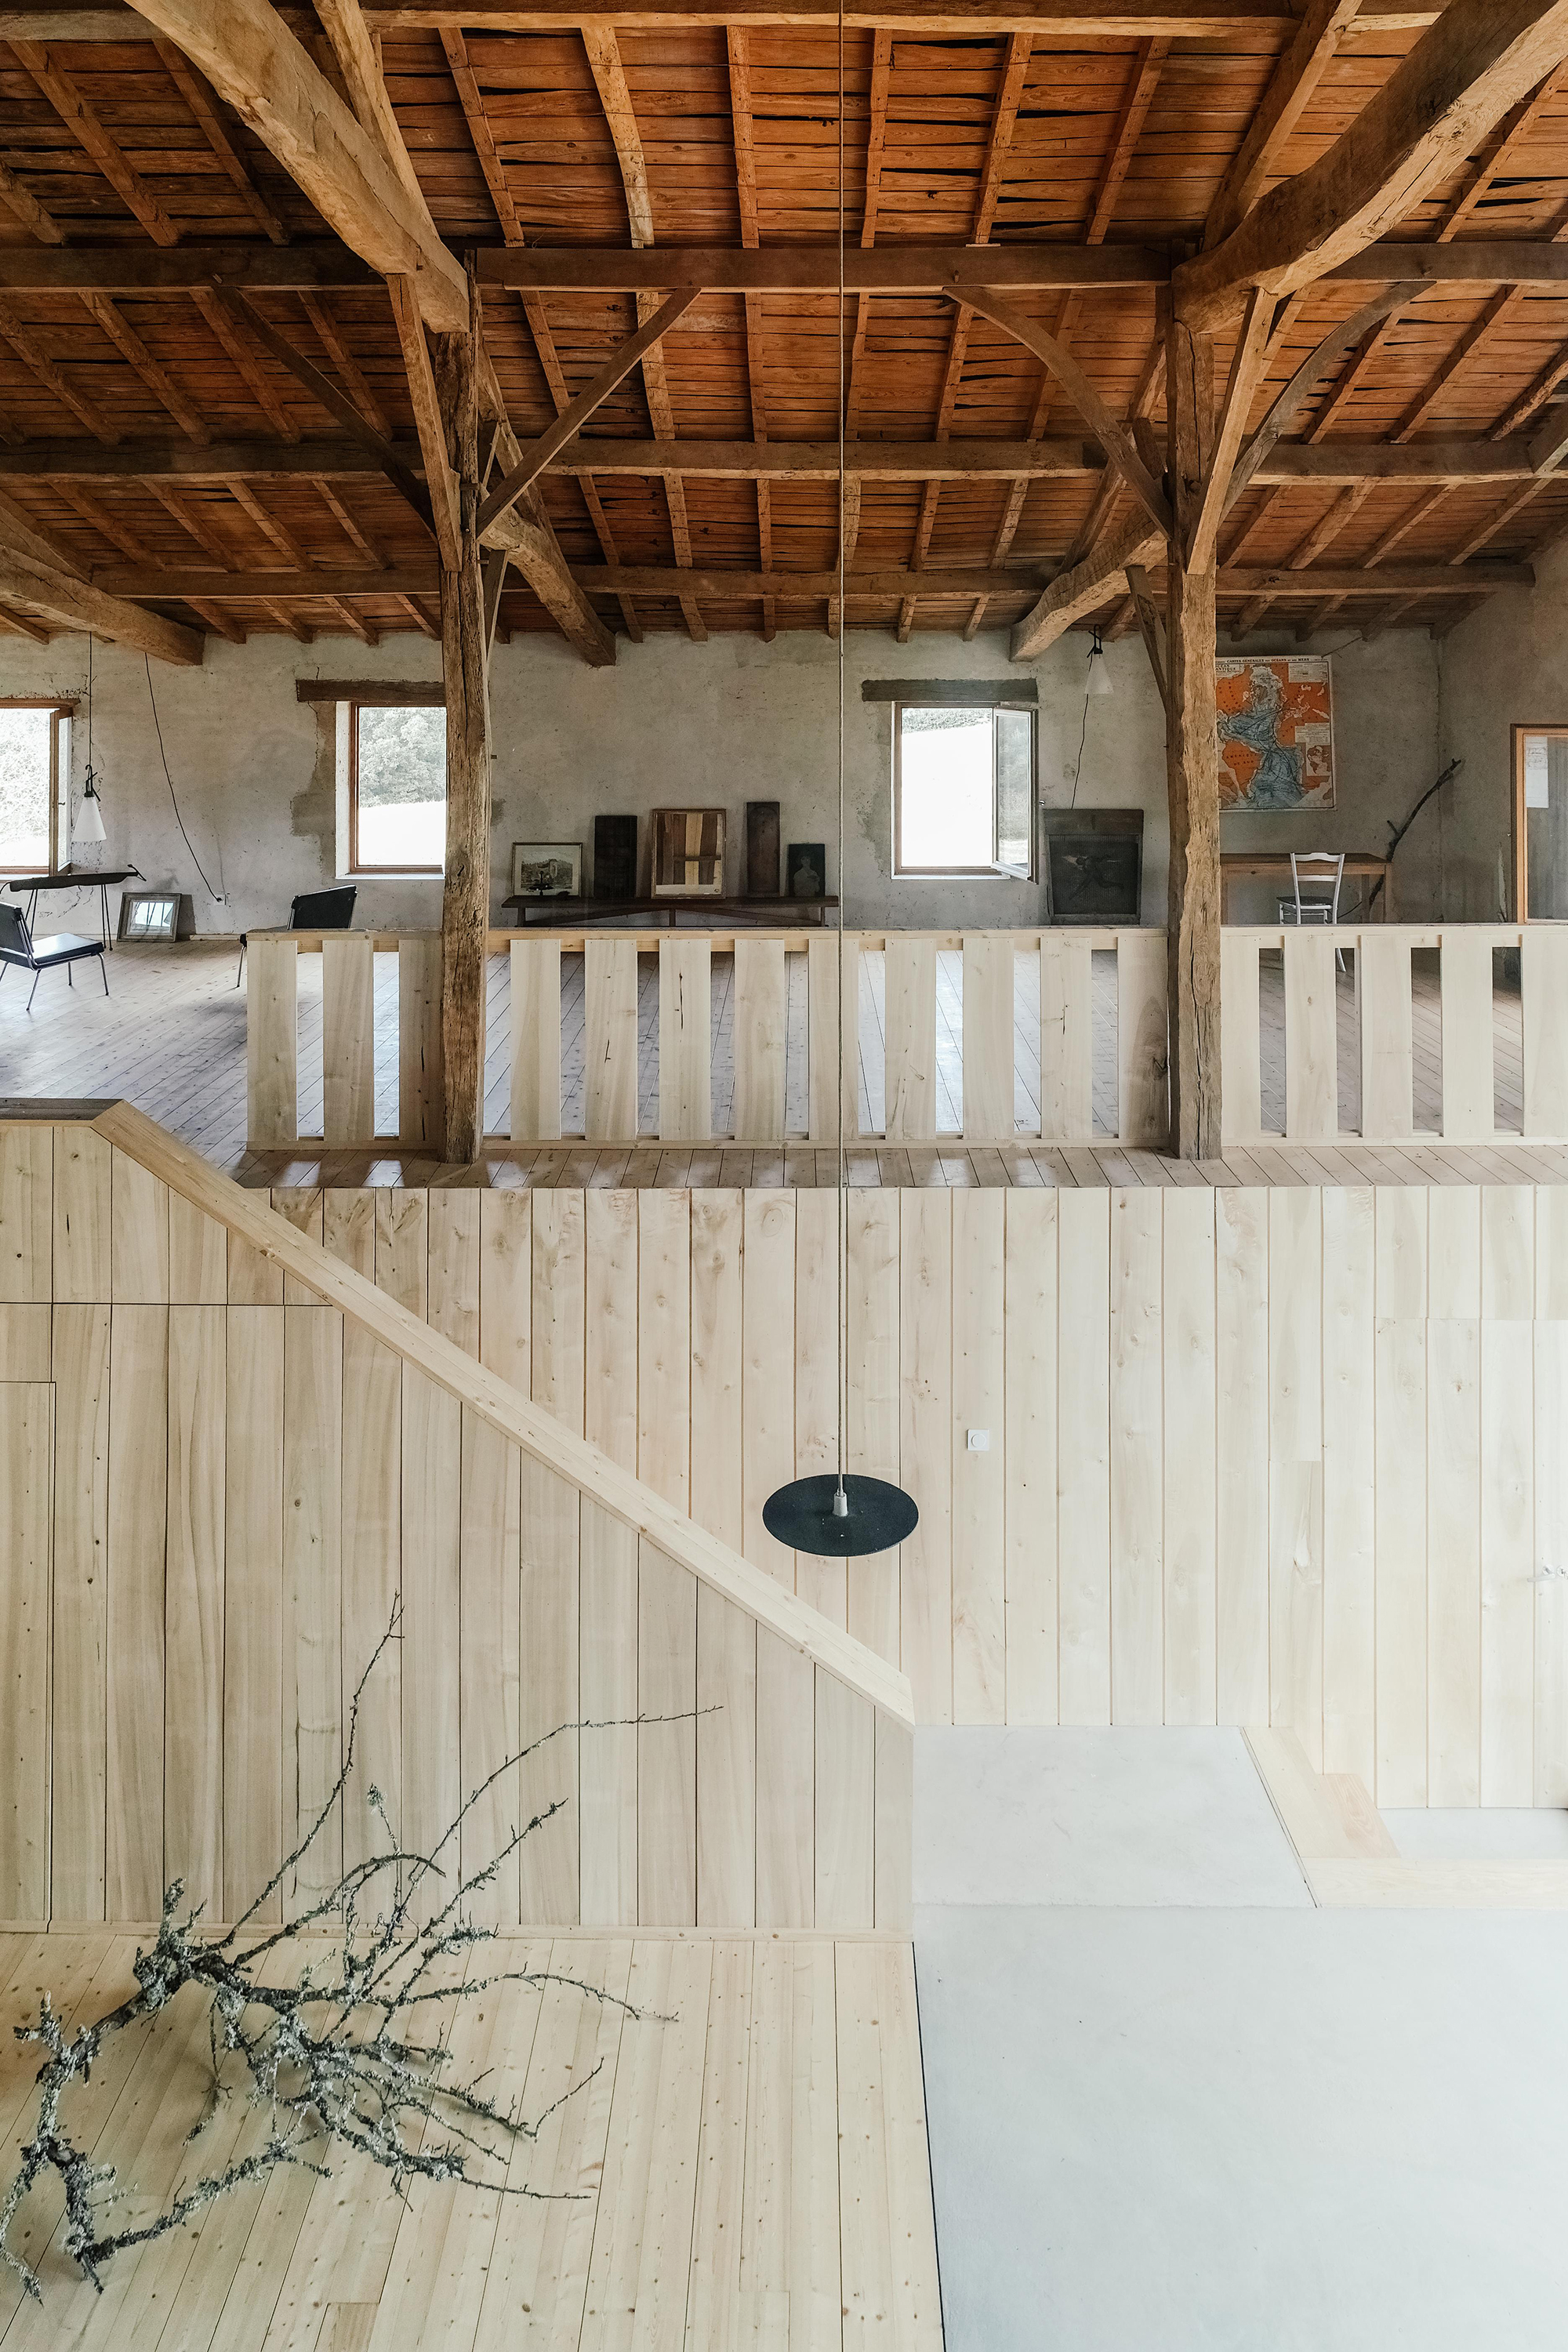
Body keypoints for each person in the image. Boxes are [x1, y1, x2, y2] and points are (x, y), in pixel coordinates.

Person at [1218, 666, 1304, 808]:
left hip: (1278, 776)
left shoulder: (1273, 720)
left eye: (1257, 689)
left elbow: (1257, 734)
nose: (1252, 693)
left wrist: (1228, 729)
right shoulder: (1248, 720)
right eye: (1252, 688)